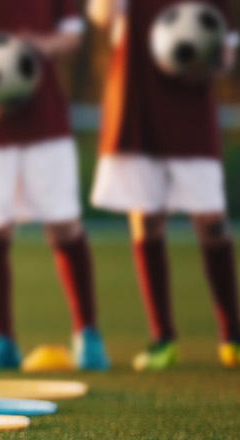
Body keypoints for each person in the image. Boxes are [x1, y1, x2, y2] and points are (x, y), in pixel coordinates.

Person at [0, 0, 109, 371]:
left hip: (46, 122)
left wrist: (40, 45)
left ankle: (88, 335)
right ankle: (1, 339)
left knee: (64, 224)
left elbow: (73, 36)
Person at [88, 0, 240, 370]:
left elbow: (227, 55)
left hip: (190, 107)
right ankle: (163, 338)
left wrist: (209, 63)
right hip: (135, 103)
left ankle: (232, 335)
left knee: (212, 220)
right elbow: (100, 15)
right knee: (146, 220)